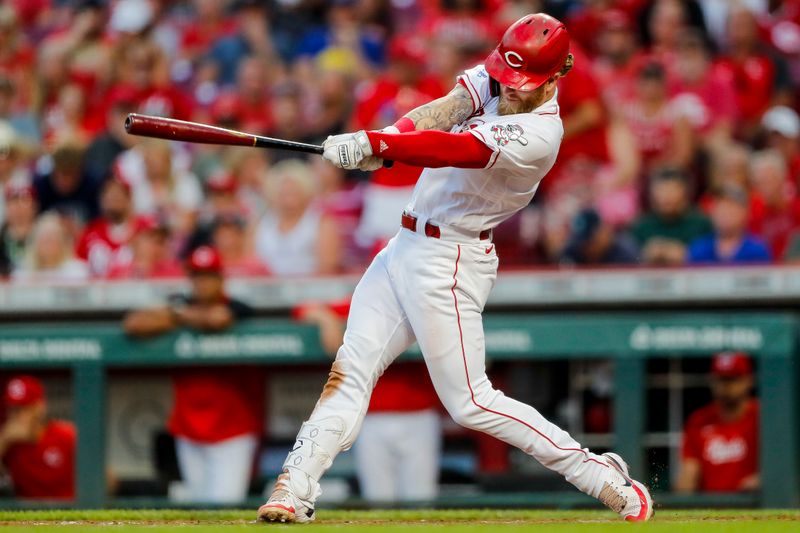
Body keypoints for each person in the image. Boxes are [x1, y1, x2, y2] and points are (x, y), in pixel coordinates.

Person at [258, 14, 653, 524]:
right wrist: (388, 136)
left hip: (452, 259)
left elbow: (457, 147)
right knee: (350, 369)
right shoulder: (498, 74)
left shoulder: (541, 133)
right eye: (507, 79)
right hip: (403, 244)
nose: (508, 91)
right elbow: (445, 112)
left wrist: (381, 147)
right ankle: (293, 488)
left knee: (471, 402)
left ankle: (600, 475)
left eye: (523, 85)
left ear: (558, 75)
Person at [123, 246, 263, 503]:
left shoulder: (237, 307)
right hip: (188, 428)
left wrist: (175, 315)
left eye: (208, 276)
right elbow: (133, 323)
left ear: (220, 278)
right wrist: (180, 314)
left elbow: (217, 320)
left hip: (232, 430)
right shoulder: (180, 303)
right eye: (197, 276)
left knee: (226, 512)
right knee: (200, 512)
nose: (202, 283)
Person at [294, 298, 442, 503]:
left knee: (421, 499)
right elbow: (302, 309)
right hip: (371, 417)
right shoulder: (369, 299)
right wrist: (326, 319)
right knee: (378, 499)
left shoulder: (422, 300)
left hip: (419, 414)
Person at [675, 352, 759, 493]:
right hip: (711, 508)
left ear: (748, 380)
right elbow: (689, 474)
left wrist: (766, 480)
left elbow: (783, 466)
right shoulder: (700, 420)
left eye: (733, 379)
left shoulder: (763, 416)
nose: (727, 386)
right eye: (721, 379)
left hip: (755, 505)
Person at [254, 159, 341, 276]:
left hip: (311, 290)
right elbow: (251, 262)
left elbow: (328, 267)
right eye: (283, 191)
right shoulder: (260, 223)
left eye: (293, 190)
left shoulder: (321, 223)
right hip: (267, 289)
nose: (288, 196)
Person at [0, 375, 76, 500]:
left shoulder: (67, 435)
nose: (17, 415)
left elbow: (103, 480)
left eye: (24, 408)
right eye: (13, 409)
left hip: (73, 513)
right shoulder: (8, 443)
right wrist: (3, 441)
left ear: (40, 408)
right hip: (26, 516)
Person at [631, 167, 712, 265]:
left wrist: (688, 254)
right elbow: (631, 260)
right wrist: (646, 254)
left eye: (672, 189)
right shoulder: (641, 226)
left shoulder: (701, 224)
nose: (666, 196)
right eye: (661, 190)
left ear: (685, 193)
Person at [687, 185, 772, 264]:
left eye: (730, 206)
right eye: (720, 206)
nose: (724, 212)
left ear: (745, 213)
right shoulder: (698, 249)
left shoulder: (757, 251)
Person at [11, 212, 89, 282]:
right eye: (44, 239)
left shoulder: (77, 271)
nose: (48, 245)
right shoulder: (23, 273)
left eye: (52, 239)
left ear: (62, 242)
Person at [560, 208, 639, 266]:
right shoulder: (572, 250)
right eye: (582, 243)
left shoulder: (625, 253)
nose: (585, 247)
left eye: (590, 241)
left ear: (603, 232)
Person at [0, 179, 38, 277]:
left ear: (34, 206)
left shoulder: (44, 235)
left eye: (24, 201)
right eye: (13, 202)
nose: (18, 207)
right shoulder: (2, 237)